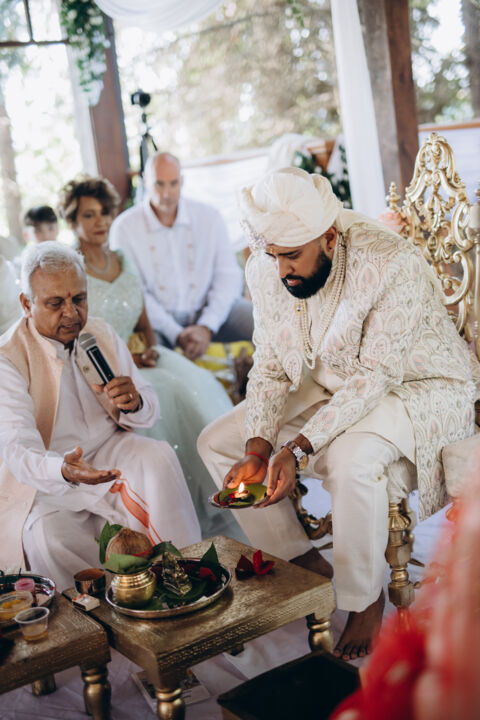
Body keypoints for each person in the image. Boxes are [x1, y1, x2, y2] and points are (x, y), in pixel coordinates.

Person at [198, 167, 477, 660]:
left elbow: (376, 375)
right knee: (217, 441)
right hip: (330, 383)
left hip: (418, 386)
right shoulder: (266, 266)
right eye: (273, 255)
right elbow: (269, 365)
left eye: (291, 256)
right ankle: (303, 562)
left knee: (351, 458)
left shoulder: (390, 260)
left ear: (328, 236)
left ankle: (363, 599)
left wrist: (295, 448)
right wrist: (259, 448)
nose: (281, 270)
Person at [0, 242, 201, 590]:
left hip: (111, 449)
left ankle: (181, 580)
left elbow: (149, 406)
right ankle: (101, 617)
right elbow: (18, 449)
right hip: (48, 476)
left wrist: (134, 402)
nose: (72, 314)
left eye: (79, 299)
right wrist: (62, 469)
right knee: (48, 536)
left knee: (158, 457)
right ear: (26, 304)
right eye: (55, 303)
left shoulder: (100, 333)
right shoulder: (8, 358)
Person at [58, 175, 244, 542]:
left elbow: (140, 310)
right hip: (102, 365)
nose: (100, 222)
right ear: (73, 221)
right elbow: (73, 331)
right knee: (163, 397)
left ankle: (226, 491)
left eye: (104, 213)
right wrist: (125, 357)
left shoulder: (120, 257)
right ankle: (172, 516)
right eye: (89, 215)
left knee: (193, 386)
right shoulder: (70, 268)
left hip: (142, 353)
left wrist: (151, 345)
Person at [109, 151, 254, 360]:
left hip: (209, 312)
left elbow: (228, 275)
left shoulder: (209, 217)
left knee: (259, 322)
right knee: (149, 357)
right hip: (157, 323)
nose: (167, 193)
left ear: (182, 181)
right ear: (145, 181)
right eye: (159, 184)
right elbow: (134, 292)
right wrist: (175, 333)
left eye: (173, 183)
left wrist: (207, 326)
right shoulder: (124, 228)